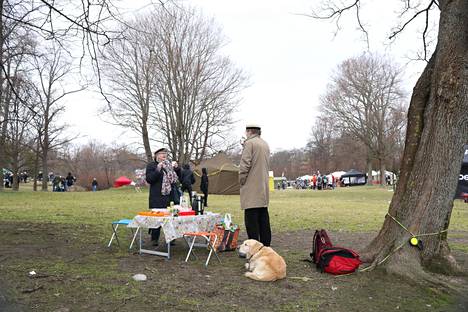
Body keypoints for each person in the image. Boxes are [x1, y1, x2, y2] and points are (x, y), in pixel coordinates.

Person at [239, 124, 271, 246]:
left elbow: (245, 164)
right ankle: (266, 245)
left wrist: (241, 180)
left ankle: (254, 246)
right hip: (262, 187)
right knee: (263, 219)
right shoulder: (265, 144)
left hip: (251, 187)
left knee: (251, 221)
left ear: (249, 131)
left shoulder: (249, 143)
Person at [145, 148, 181, 246]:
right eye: (162, 154)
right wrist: (158, 169)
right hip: (157, 196)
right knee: (157, 219)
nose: (164, 155)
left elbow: (178, 178)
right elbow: (149, 179)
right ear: (156, 155)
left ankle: (171, 238)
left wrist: (177, 168)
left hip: (170, 196)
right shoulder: (151, 165)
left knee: (170, 218)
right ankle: (154, 239)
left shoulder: (169, 165)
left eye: (165, 153)